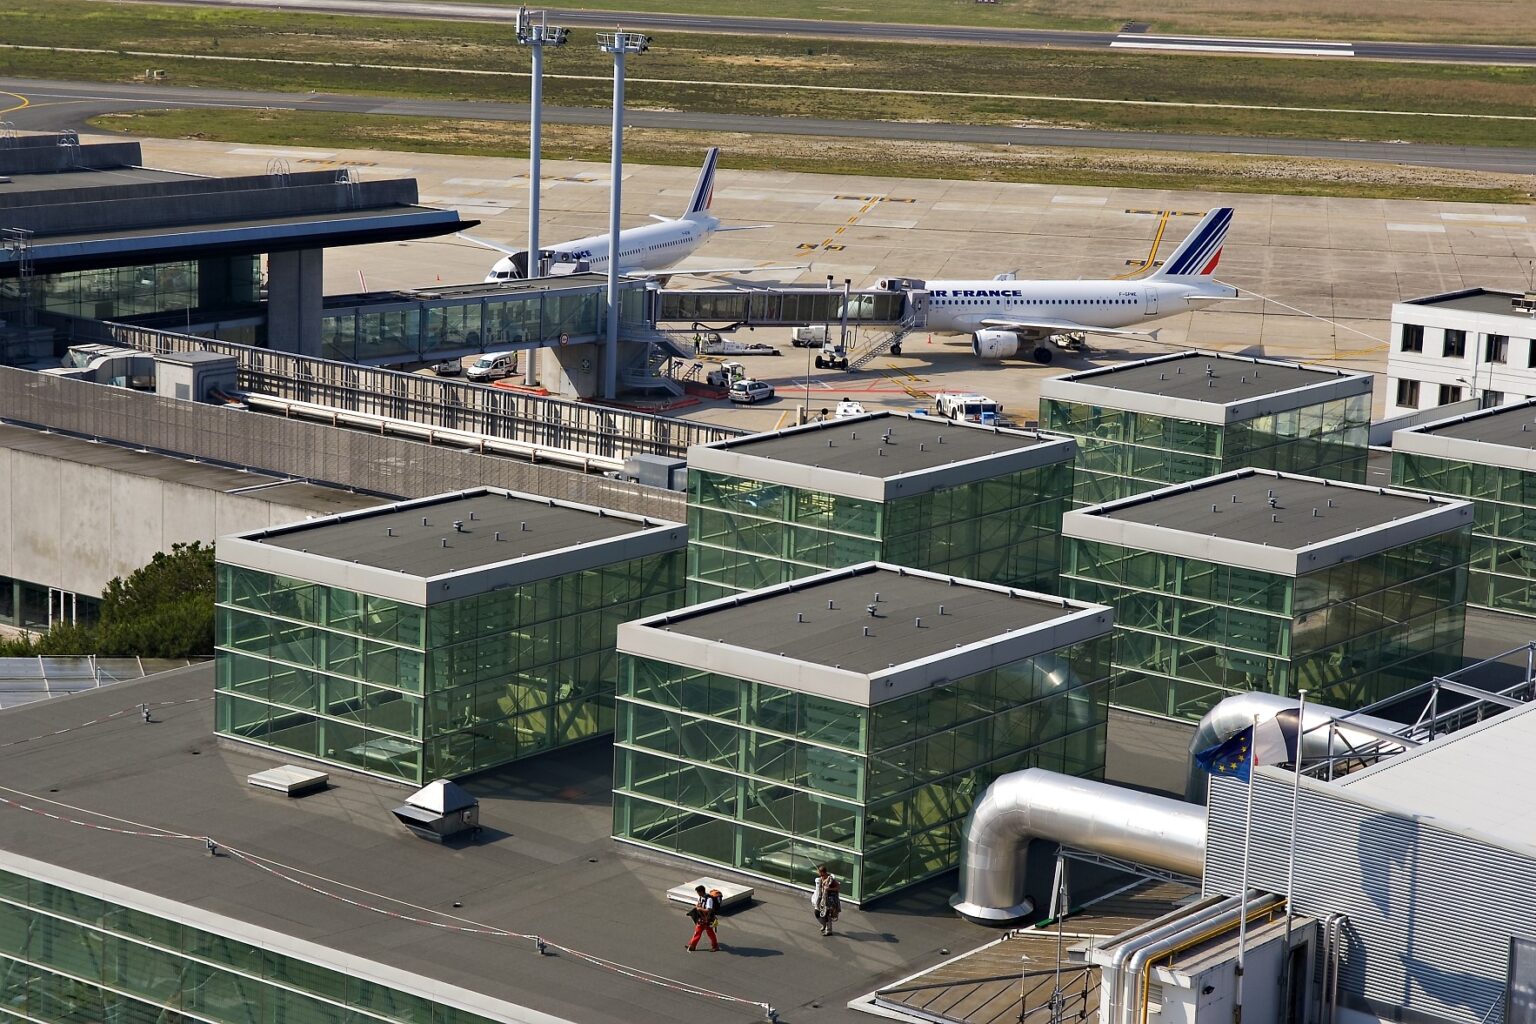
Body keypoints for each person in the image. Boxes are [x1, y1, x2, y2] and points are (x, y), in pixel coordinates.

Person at [686, 885, 720, 952]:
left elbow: (709, 910)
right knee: (698, 932)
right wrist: (698, 906)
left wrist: (699, 908)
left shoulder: (709, 899)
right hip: (701, 918)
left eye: (698, 892)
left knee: (710, 933)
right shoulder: (701, 898)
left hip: (707, 919)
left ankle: (715, 946)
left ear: (701, 891)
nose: (697, 894)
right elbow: (699, 905)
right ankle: (692, 946)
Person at [811, 864, 842, 936]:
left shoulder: (831, 879)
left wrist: (829, 889)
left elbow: (838, 887)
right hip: (821, 898)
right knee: (817, 912)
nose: (819, 874)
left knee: (827, 914)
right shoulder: (821, 878)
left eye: (819, 872)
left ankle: (829, 930)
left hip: (829, 899)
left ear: (823, 872)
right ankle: (824, 925)